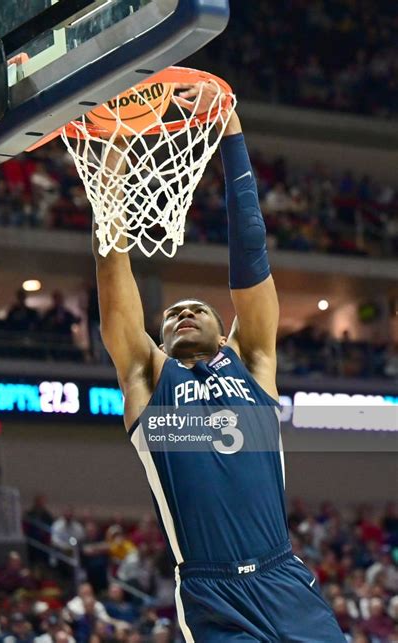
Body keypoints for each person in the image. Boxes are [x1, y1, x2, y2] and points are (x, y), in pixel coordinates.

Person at [91, 80, 345, 641]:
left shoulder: (252, 361)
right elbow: (114, 269)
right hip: (213, 593)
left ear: (221, 323)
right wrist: (113, 152)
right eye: (172, 312)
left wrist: (229, 132)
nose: (183, 311)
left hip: (283, 576)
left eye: (196, 307)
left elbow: (251, 252)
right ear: (157, 337)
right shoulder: (149, 377)